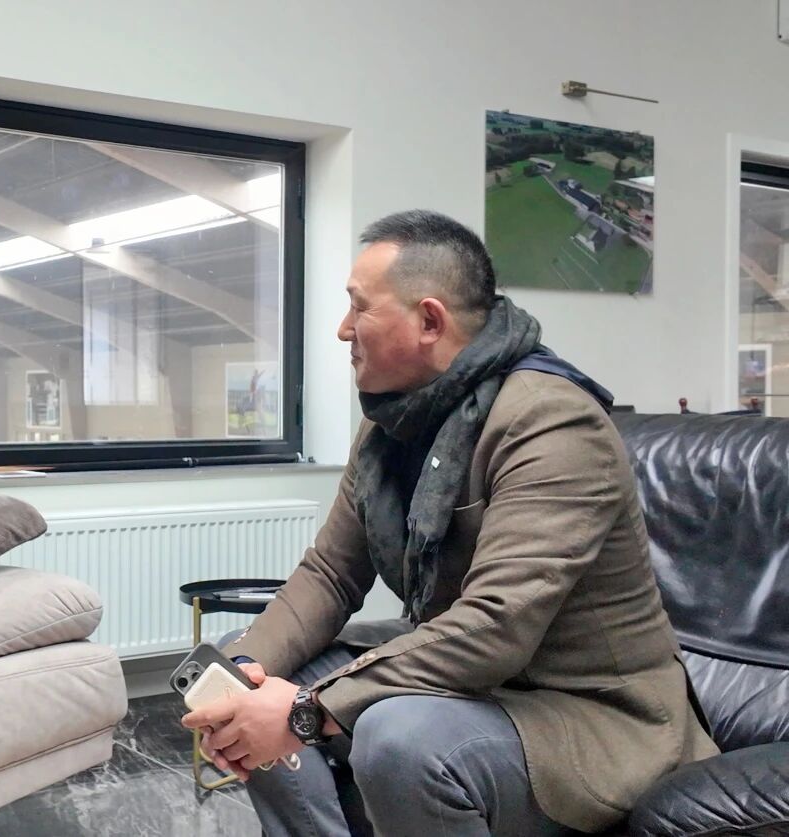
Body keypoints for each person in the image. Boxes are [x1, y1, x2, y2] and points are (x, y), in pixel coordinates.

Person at [183, 210, 717, 836]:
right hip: (468, 683)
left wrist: (306, 711)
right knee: (256, 686)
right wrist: (238, 675)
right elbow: (330, 574)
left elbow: (496, 624)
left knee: (398, 736)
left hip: (585, 711)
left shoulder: (551, 421)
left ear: (430, 321)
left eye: (359, 307)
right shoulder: (389, 426)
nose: (342, 329)